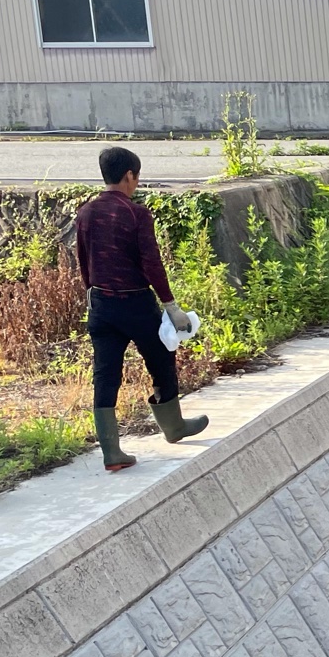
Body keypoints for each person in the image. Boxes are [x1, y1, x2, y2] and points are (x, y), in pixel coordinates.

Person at [76, 145, 207, 472]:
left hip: (101, 304)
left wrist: (92, 294)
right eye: (136, 177)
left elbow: (83, 261)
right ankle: (174, 427)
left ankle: (111, 452)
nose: (136, 183)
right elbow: (151, 262)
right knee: (162, 357)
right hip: (135, 302)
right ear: (129, 175)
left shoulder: (86, 213)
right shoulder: (136, 214)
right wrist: (170, 305)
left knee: (105, 374)